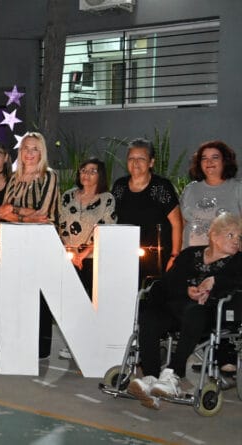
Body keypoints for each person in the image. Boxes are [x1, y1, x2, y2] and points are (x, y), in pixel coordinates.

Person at [128, 213, 242, 409]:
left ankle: (172, 374)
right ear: (214, 235)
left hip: (210, 314)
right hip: (178, 309)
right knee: (150, 317)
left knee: (194, 312)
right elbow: (167, 283)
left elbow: (236, 281)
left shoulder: (238, 261)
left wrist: (215, 281)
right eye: (231, 235)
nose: (236, 241)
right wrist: (186, 290)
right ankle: (151, 378)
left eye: (239, 237)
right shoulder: (190, 255)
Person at [0, 132, 61, 359]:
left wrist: (15, 212)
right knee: (18, 293)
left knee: (40, 293)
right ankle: (19, 341)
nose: (29, 153)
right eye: (26, 148)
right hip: (15, 242)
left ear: (41, 152)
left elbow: (43, 214)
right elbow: (1, 211)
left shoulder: (49, 176)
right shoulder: (14, 178)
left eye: (35, 148)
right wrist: (25, 215)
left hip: (41, 243)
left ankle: (41, 348)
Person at [57, 158, 117, 359]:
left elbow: (106, 228)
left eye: (92, 171)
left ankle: (89, 345)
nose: (87, 174)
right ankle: (73, 344)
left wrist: (84, 253)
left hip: (93, 259)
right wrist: (71, 251)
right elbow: (61, 226)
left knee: (90, 303)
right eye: (83, 170)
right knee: (71, 303)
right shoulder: (68, 196)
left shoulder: (107, 198)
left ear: (100, 175)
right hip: (69, 256)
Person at [111, 138, 182, 282]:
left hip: (157, 256)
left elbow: (177, 223)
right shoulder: (120, 186)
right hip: (125, 255)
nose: (135, 163)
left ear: (151, 162)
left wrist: (175, 256)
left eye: (141, 158)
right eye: (131, 158)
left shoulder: (161, 186)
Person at [181, 140, 242, 249]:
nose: (209, 162)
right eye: (204, 158)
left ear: (225, 161)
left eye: (215, 157)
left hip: (228, 255)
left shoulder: (238, 188)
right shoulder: (190, 189)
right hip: (191, 254)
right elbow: (181, 223)